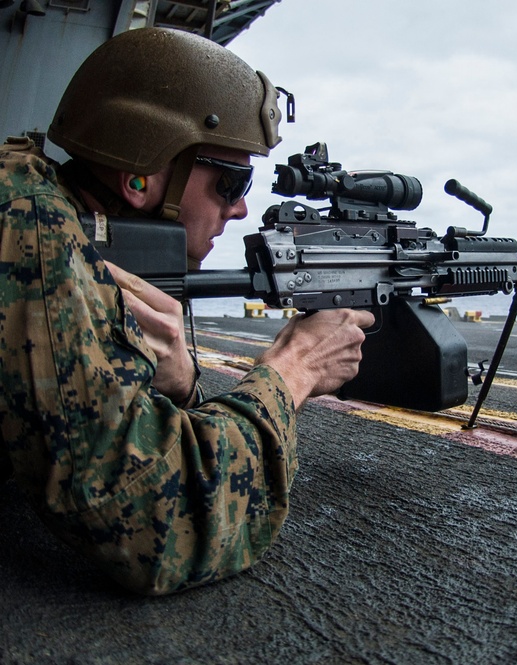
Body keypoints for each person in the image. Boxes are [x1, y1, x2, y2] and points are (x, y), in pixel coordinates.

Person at [0, 27, 375, 595]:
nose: (243, 206)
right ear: (142, 172)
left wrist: (180, 382)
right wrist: (292, 373)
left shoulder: (37, 197)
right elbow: (152, 519)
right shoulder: (34, 228)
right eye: (231, 180)